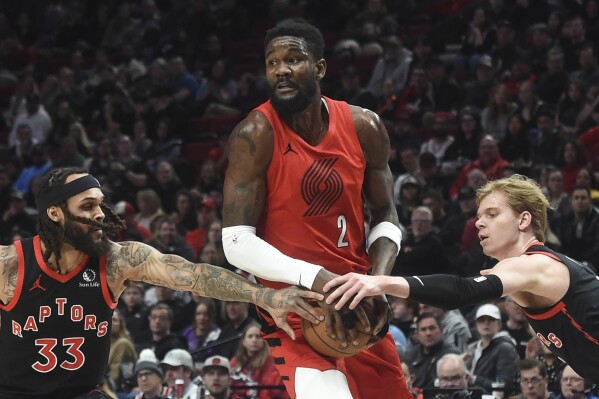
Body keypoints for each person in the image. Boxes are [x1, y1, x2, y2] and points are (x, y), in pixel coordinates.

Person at [0, 167, 323, 398]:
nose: (100, 213)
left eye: (100, 203)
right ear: (55, 213)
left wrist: (264, 296)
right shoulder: (10, 266)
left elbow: (194, 276)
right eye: (87, 206)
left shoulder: (116, 261)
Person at [221, 21, 409, 399]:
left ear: (319, 68)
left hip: (358, 302)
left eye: (293, 59)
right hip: (295, 309)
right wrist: (319, 280)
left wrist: (378, 281)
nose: (281, 70)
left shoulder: (364, 126)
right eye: (272, 63)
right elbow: (236, 242)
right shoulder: (255, 134)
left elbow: (386, 216)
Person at [324, 174, 599, 383]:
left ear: (523, 220)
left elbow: (462, 291)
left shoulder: (534, 265)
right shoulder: (526, 272)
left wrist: (383, 282)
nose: (479, 222)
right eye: (479, 216)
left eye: (492, 214)